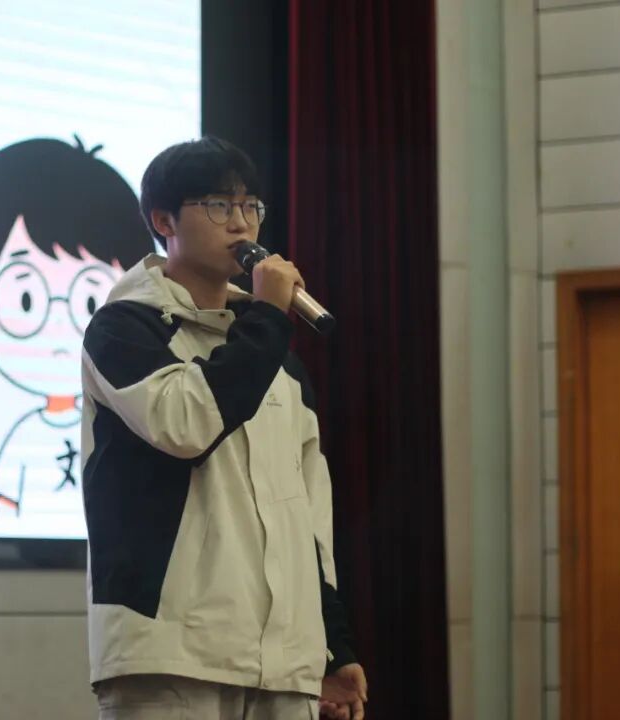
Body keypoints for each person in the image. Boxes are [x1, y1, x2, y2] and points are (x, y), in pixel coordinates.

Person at [80, 136, 367, 719]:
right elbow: (185, 425)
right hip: (171, 655)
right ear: (163, 221)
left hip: (283, 662)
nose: (240, 223)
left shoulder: (276, 359)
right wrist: (267, 318)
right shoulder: (124, 329)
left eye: (249, 206)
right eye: (217, 205)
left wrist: (330, 646)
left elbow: (309, 512)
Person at [0, 137, 151, 531]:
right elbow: (6, 506)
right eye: (26, 299)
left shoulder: (122, 427)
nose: (60, 326)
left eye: (90, 301)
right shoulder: (26, 437)